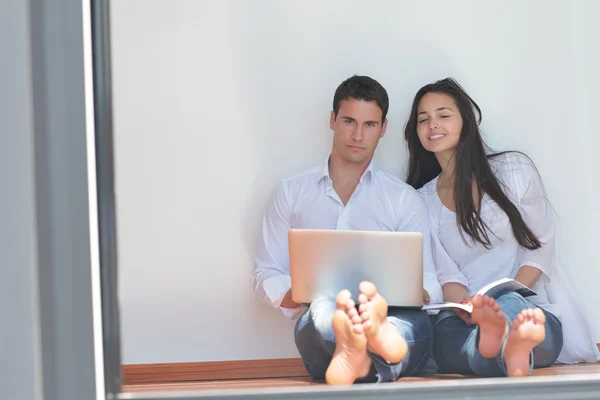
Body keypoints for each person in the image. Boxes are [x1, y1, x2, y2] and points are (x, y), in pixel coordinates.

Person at [253, 75, 443, 385]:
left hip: (393, 312)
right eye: (349, 121)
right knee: (323, 314)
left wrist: (406, 293)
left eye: (369, 125)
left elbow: (431, 283)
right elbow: (265, 275)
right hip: (326, 315)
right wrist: (302, 293)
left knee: (408, 325)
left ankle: (366, 342)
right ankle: (368, 346)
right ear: (332, 120)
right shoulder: (291, 193)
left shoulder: (402, 199)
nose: (357, 134)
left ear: (383, 129)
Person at [404, 77, 600, 377]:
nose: (433, 125)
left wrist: (507, 299)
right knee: (449, 340)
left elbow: (541, 247)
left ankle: (503, 335)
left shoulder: (514, 170)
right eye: (423, 119)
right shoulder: (421, 200)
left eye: (443, 115)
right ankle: (507, 349)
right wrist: (468, 310)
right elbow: (447, 274)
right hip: (462, 317)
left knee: (513, 310)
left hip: (526, 306)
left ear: (466, 121)